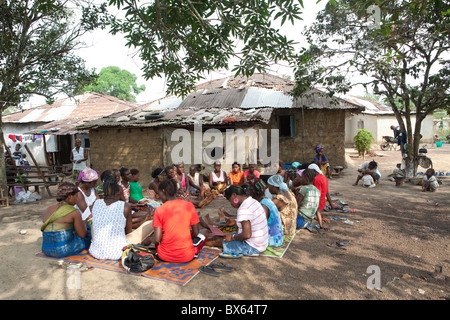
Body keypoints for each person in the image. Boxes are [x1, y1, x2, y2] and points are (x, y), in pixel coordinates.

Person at [204, 184, 269, 257]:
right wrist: (235, 222)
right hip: (262, 243)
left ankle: (197, 244)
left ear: (234, 195)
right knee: (223, 235)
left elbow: (246, 235)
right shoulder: (253, 201)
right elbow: (252, 222)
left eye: (230, 201)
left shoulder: (243, 209)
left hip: (252, 247)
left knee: (216, 241)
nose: (231, 204)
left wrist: (232, 237)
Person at [150, 179, 204, 263]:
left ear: (163, 191)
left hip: (164, 256)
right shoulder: (189, 206)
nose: (159, 196)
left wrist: (149, 240)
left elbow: (157, 239)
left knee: (157, 237)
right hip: (187, 256)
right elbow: (196, 233)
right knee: (202, 237)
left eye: (159, 193)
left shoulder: (159, 210)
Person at [89, 176, 134, 260]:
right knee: (145, 227)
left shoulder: (95, 203)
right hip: (119, 252)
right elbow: (128, 232)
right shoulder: (125, 206)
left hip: (96, 251)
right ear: (118, 191)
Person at [41, 182, 87, 258]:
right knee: (87, 231)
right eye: (76, 196)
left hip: (46, 249)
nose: (77, 199)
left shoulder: (49, 208)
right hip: (63, 251)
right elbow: (82, 235)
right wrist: (84, 222)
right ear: (69, 197)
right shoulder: (74, 212)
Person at [247, 178, 284, 247]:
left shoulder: (263, 206)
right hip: (277, 238)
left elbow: (259, 226)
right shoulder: (266, 200)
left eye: (249, 192)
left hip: (272, 240)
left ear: (253, 193)